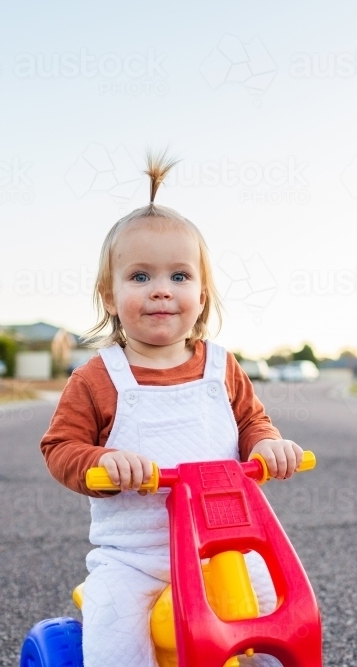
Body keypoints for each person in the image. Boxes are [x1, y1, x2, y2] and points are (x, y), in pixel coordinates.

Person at [40, 150, 303, 667]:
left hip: (226, 545)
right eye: (140, 277)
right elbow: (60, 447)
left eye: (179, 277)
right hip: (138, 558)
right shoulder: (98, 377)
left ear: (202, 295)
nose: (161, 289)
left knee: (280, 616)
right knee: (115, 637)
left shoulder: (222, 367)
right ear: (110, 296)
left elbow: (251, 421)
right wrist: (101, 463)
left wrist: (268, 445)